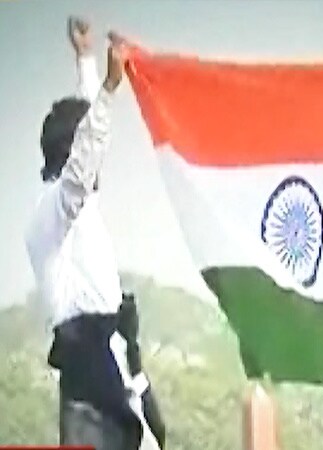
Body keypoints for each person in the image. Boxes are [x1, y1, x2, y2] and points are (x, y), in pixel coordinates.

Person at [25, 17, 164, 450]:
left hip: (115, 356)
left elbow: (83, 148)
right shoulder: (56, 211)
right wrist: (109, 88)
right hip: (90, 372)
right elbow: (83, 160)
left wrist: (85, 59)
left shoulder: (75, 207)